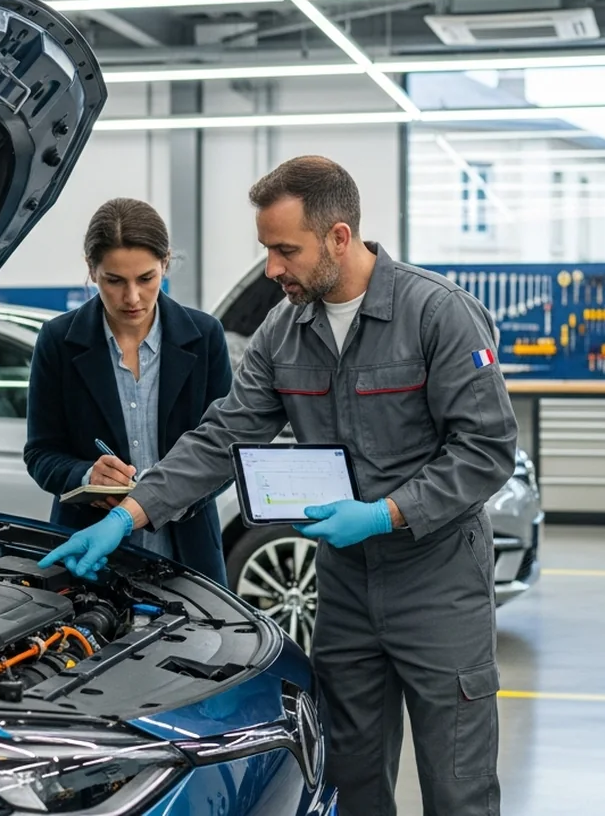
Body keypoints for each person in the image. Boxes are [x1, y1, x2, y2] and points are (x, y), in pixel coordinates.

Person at [37, 156, 518, 816]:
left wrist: (385, 513)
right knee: (349, 779)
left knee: (457, 786)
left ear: (339, 237)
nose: (271, 269)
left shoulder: (438, 314)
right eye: (267, 249)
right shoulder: (285, 332)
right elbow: (222, 436)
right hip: (345, 585)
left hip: (438, 582)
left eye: (285, 250)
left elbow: (486, 450)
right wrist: (129, 514)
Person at [22, 197, 233, 585]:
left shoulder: (205, 337)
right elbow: (40, 454)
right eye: (114, 281)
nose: (132, 297)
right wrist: (86, 474)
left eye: (146, 279)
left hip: (188, 556)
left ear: (165, 263)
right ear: (91, 271)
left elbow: (224, 454)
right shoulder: (57, 341)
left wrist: (164, 501)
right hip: (89, 554)